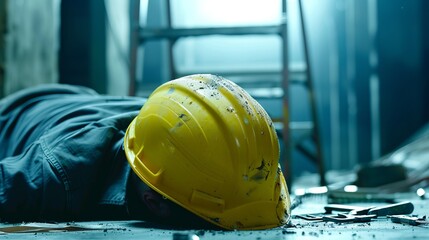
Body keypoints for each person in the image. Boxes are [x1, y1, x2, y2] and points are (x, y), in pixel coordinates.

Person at [0, 74, 290, 230]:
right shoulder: (59, 170)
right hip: (14, 114)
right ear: (154, 203)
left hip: (82, 101)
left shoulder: (179, 125)